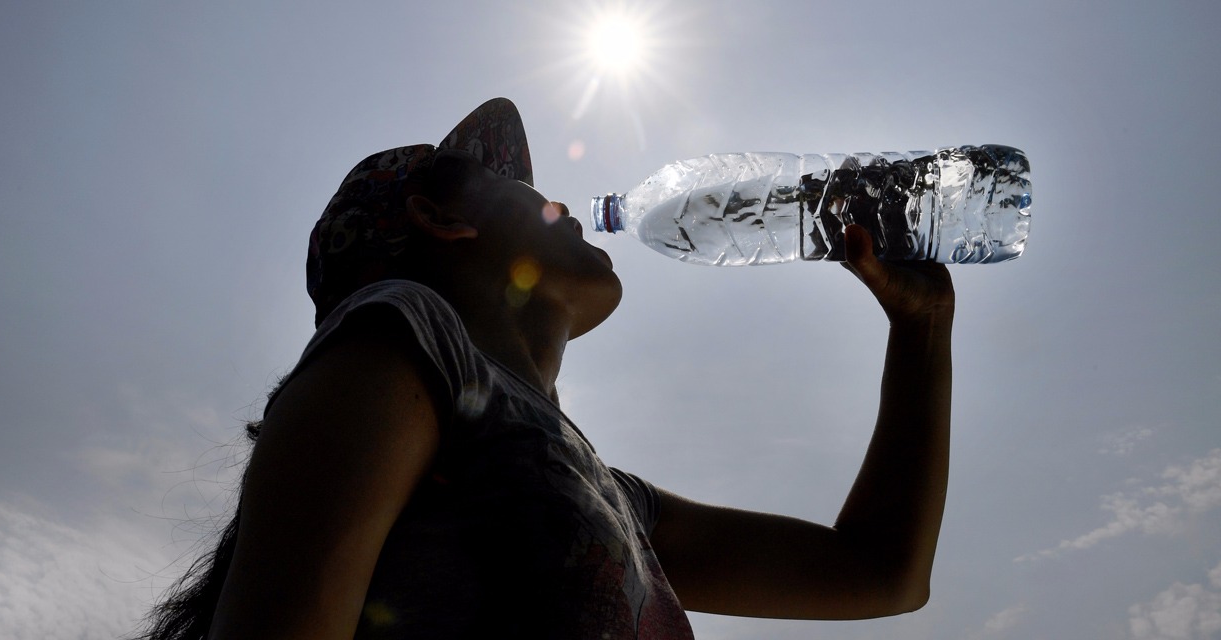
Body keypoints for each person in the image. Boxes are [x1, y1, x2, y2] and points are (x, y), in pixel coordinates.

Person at [139, 98, 954, 639]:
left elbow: (881, 573)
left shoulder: (611, 493)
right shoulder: (401, 339)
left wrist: (921, 331)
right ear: (439, 218)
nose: (559, 206)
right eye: (518, 187)